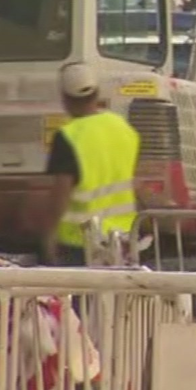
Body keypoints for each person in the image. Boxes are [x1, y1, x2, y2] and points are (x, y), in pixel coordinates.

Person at [43, 62, 144, 266]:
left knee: (81, 298)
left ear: (65, 99)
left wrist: (48, 237)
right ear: (97, 93)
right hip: (123, 238)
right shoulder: (123, 129)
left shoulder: (68, 137)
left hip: (80, 243)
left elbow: (60, 196)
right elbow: (134, 182)